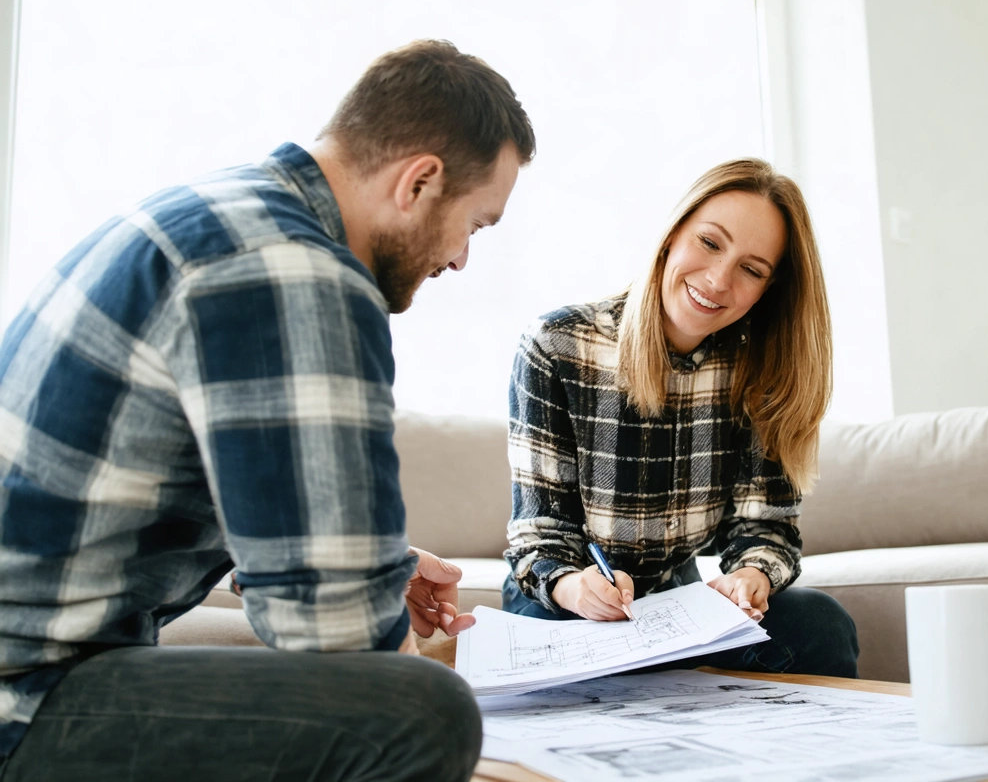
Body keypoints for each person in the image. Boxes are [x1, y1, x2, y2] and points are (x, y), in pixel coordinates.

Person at [0, 39, 535, 782]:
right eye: (475, 225)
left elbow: (247, 506)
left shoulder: (220, 217)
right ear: (420, 181)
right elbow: (338, 639)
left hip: (32, 660)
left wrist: (377, 565)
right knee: (419, 709)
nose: (460, 260)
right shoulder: (298, 271)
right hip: (25, 698)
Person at [503, 159, 858, 678]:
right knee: (574, 654)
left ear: (767, 290)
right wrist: (574, 586)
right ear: (671, 236)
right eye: (710, 243)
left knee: (820, 623)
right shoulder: (557, 345)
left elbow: (764, 527)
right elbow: (541, 533)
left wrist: (752, 574)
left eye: (751, 269)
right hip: (566, 606)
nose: (718, 280)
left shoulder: (760, 369)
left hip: (679, 613)